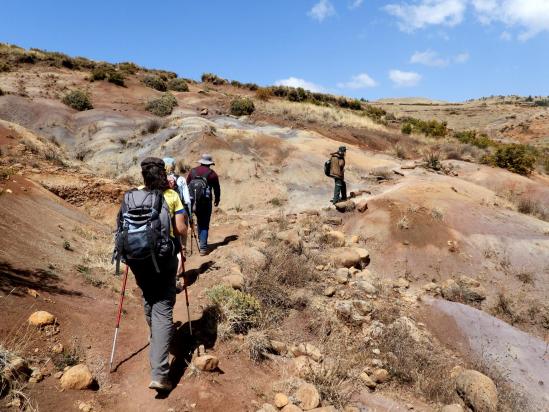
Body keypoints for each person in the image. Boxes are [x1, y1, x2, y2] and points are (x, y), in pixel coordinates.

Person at [116, 157, 187, 392]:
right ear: (163, 174)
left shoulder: (132, 195)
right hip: (164, 260)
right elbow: (181, 229)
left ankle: (154, 334)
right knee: (164, 307)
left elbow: (121, 226)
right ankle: (160, 374)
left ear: (143, 175)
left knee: (148, 294)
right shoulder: (171, 195)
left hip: (137, 259)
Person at [187, 154, 220, 256]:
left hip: (193, 202)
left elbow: (187, 185)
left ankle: (202, 243)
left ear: (201, 162)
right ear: (210, 163)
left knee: (199, 221)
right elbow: (217, 188)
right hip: (206, 202)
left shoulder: (192, 172)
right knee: (204, 224)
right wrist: (217, 199)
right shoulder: (212, 174)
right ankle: (203, 248)